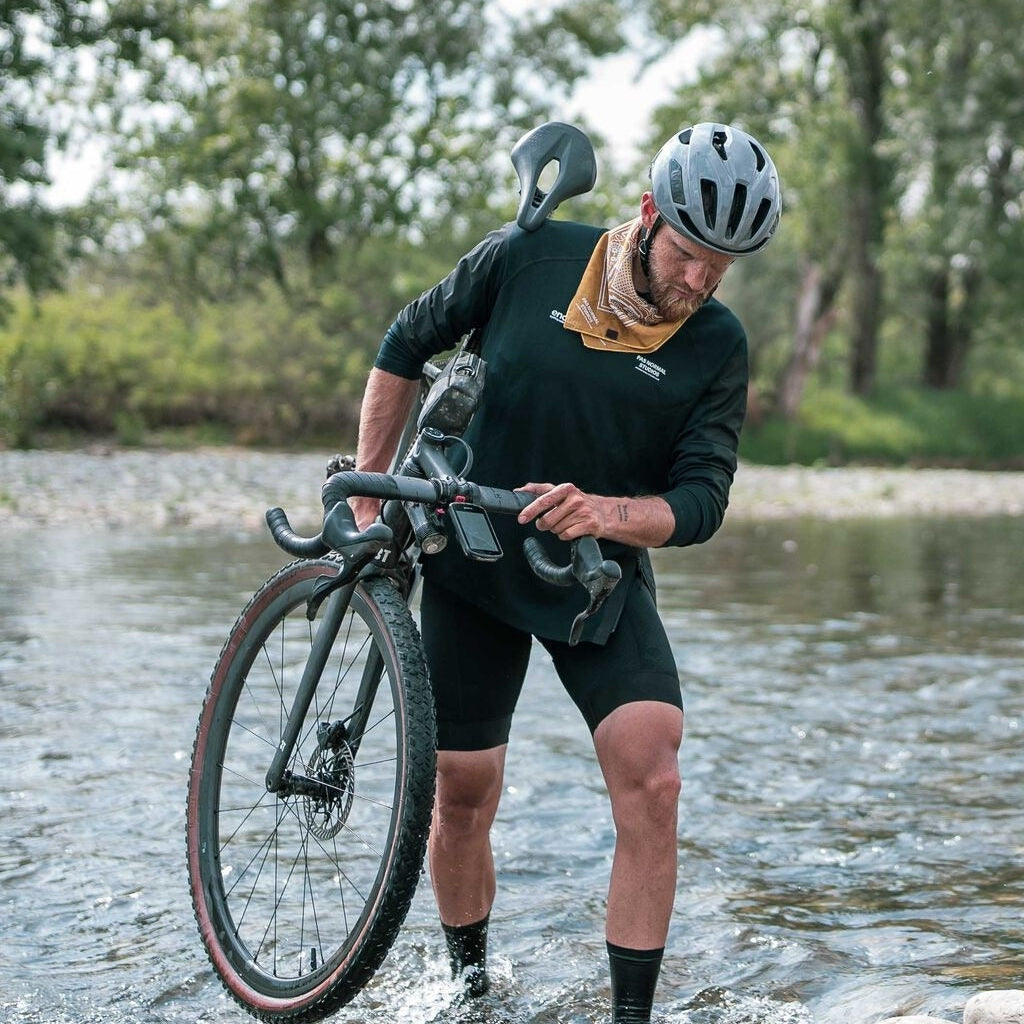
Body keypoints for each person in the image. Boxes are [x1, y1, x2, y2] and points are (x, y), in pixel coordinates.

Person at [350, 122, 781, 1023]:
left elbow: (701, 501)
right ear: (650, 212)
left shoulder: (718, 346)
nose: (701, 281)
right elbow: (402, 343)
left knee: (653, 775)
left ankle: (632, 1017)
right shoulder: (532, 257)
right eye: (693, 254)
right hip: (470, 558)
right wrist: (363, 508)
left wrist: (608, 514)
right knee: (464, 791)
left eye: (723, 268)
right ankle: (470, 989)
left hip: (594, 574)